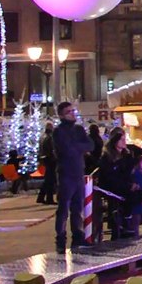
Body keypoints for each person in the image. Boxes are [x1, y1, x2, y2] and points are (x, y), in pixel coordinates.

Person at [52, 102, 94, 252]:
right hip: (65, 174)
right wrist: (78, 147)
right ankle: (60, 239)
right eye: (69, 112)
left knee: (78, 208)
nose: (73, 113)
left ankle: (77, 237)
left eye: (73, 110)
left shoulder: (78, 129)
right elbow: (66, 149)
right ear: (62, 115)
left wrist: (77, 147)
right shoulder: (59, 131)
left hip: (78, 173)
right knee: (63, 208)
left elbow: (90, 145)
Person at [98, 129, 138, 240]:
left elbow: (128, 172)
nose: (124, 142)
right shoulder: (107, 157)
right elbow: (110, 177)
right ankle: (122, 224)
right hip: (112, 187)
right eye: (121, 139)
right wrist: (128, 185)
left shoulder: (127, 155)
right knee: (126, 196)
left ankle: (129, 221)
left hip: (125, 183)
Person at [37, 122, 56, 205]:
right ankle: (49, 198)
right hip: (50, 160)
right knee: (50, 180)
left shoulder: (42, 136)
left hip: (44, 159)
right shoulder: (50, 137)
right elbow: (52, 149)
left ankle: (40, 197)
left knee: (47, 179)